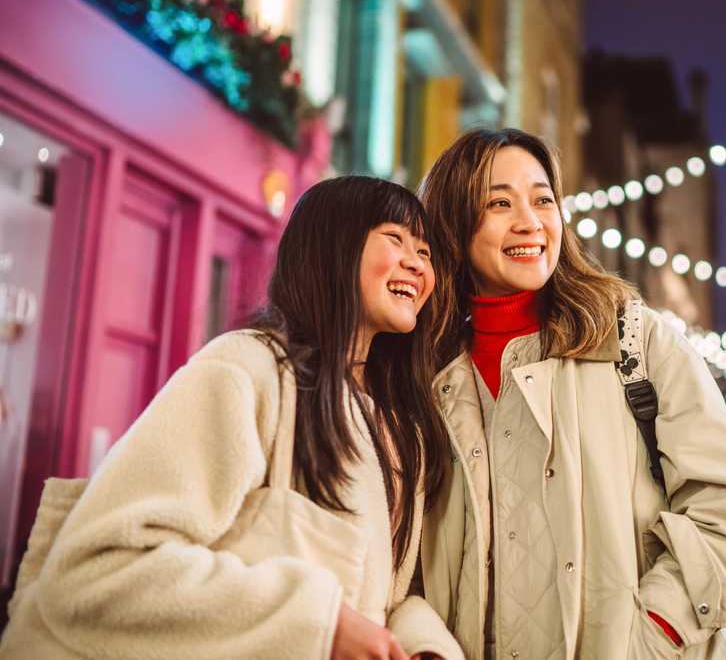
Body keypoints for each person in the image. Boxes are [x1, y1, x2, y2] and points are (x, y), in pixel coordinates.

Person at [0, 177, 462, 660]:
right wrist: (316, 625)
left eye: (425, 251)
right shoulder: (249, 369)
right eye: (395, 238)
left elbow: (383, 598)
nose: (416, 262)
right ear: (334, 248)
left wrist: (423, 647)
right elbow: (98, 566)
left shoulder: (396, 425)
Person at [416, 127, 726, 659]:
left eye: (543, 200)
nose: (530, 221)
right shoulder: (427, 374)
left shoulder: (633, 340)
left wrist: (650, 634)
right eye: (499, 203)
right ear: (452, 224)